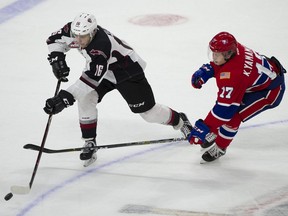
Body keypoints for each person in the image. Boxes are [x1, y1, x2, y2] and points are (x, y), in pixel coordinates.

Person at [43, 13, 192, 167]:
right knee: (86, 98)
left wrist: (64, 98)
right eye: (76, 35)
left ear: (93, 32)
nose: (78, 40)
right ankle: (89, 142)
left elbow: (90, 80)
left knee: (148, 113)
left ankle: (181, 121)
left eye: (83, 37)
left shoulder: (101, 46)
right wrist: (57, 58)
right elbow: (53, 40)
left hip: (127, 72)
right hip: (105, 71)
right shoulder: (73, 31)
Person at [188, 31, 286, 163]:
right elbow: (225, 65)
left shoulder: (234, 75)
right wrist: (211, 69)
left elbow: (224, 111)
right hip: (260, 80)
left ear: (228, 54)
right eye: (213, 53)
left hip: (270, 92)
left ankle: (220, 147)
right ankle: (214, 133)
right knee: (229, 109)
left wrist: (205, 128)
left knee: (234, 116)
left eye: (216, 54)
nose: (213, 56)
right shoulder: (235, 49)